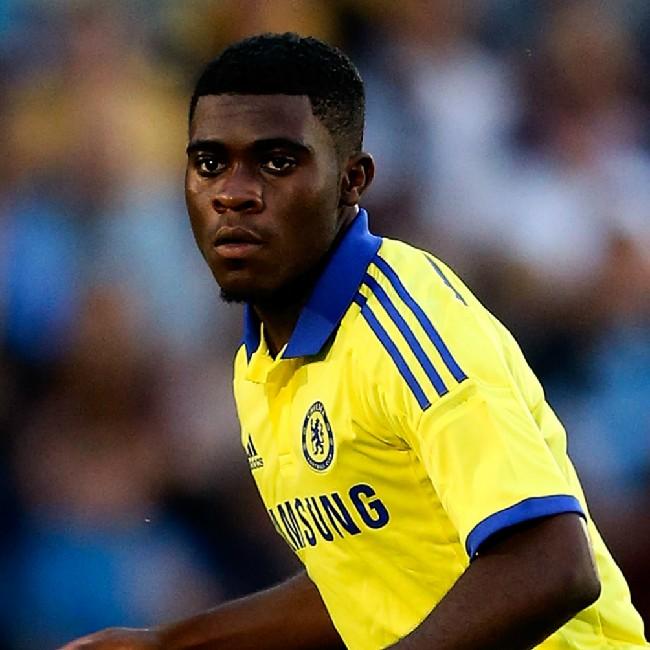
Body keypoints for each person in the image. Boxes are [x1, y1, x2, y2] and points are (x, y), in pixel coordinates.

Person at [61, 33, 648, 650]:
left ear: (352, 180)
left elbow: (553, 563)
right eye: (210, 163)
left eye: (277, 162)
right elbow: (363, 578)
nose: (233, 193)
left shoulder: (407, 326)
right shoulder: (258, 363)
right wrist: (166, 644)